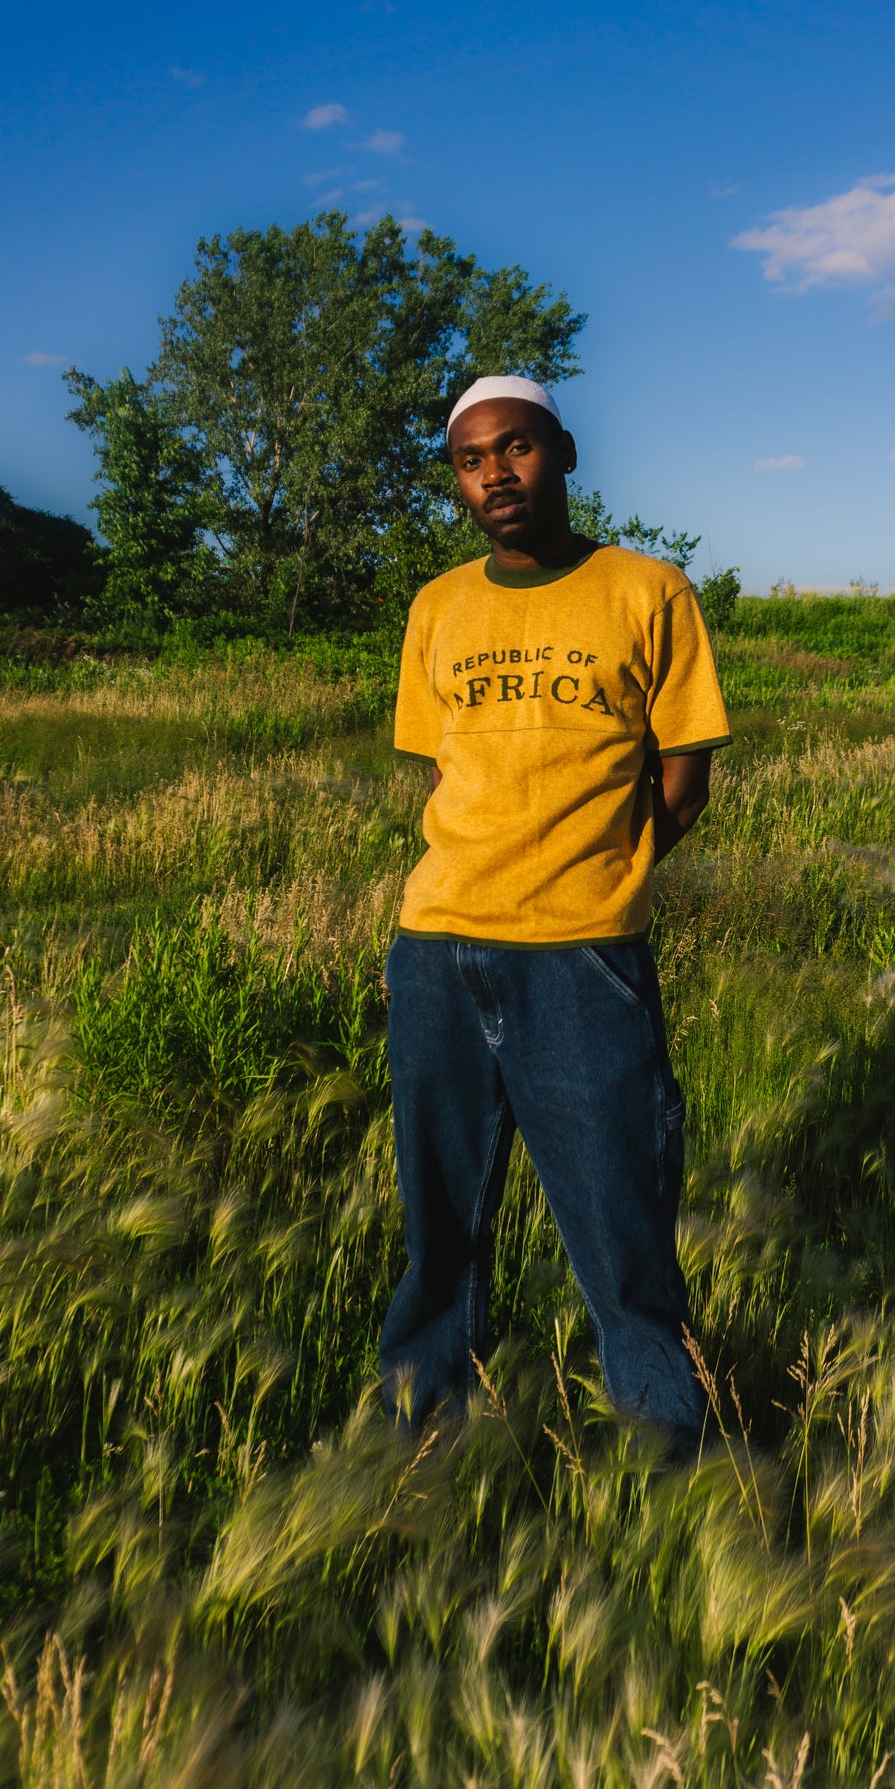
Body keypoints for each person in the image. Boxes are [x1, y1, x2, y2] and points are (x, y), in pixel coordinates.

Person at [380, 372, 730, 1444]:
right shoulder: (438, 605)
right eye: (472, 458)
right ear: (458, 479)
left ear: (563, 451)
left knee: (620, 1234)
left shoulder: (645, 588)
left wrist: (603, 870)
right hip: (437, 949)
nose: (496, 472)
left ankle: (670, 1458)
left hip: (580, 958)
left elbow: (683, 775)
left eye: (517, 447)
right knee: (438, 1227)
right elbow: (443, 776)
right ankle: (417, 1436)